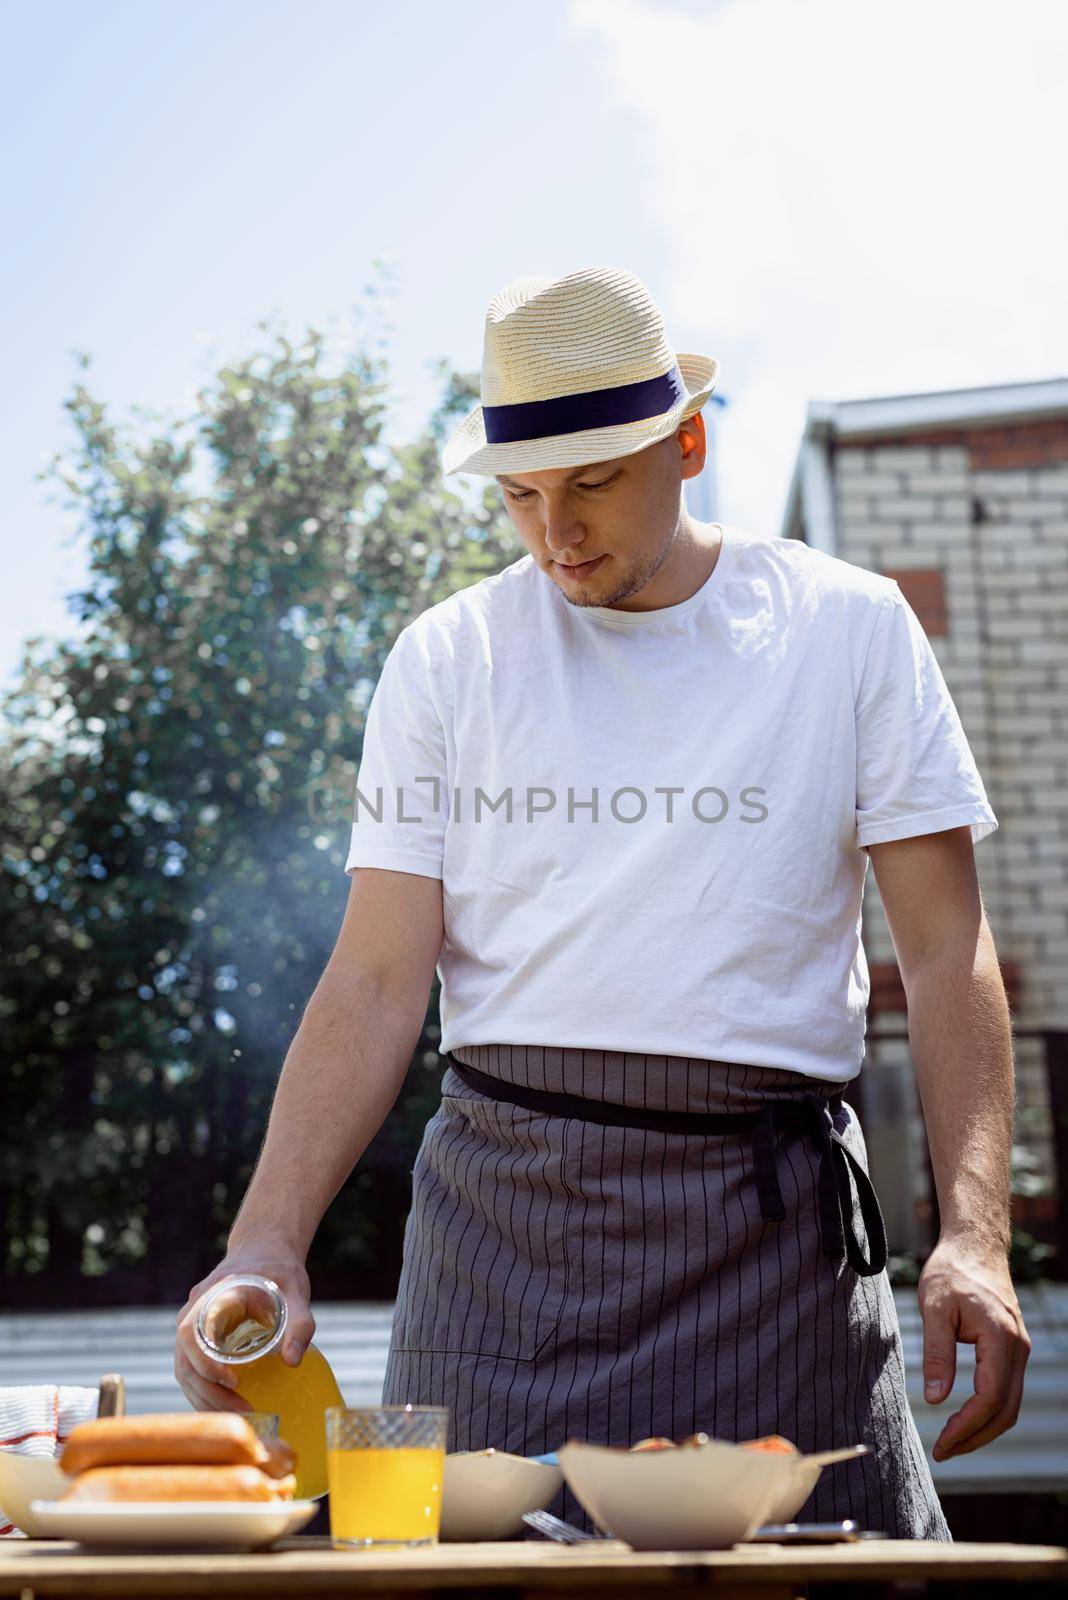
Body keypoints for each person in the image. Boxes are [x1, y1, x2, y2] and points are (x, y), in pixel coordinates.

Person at [175, 266, 1030, 1540]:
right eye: (522, 493)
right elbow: (372, 979)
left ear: (686, 442)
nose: (554, 530)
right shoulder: (447, 659)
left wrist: (976, 1232)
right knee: (445, 1576)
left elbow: (948, 947)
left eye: (591, 484)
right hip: (500, 1240)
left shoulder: (849, 631)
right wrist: (265, 1241)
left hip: (772, 1239)